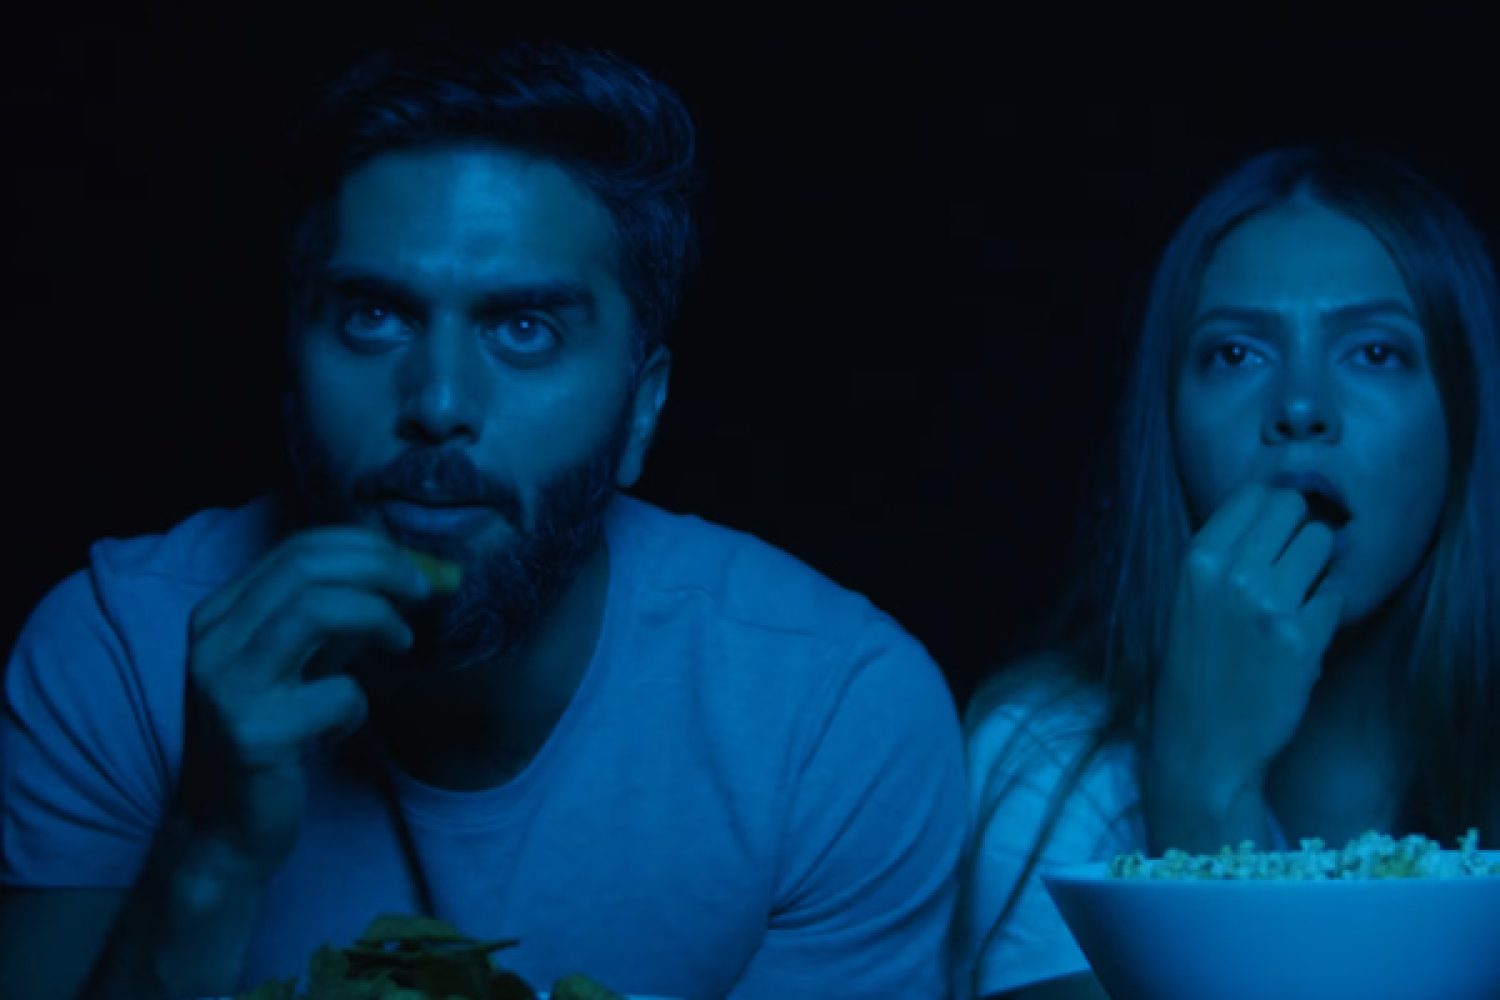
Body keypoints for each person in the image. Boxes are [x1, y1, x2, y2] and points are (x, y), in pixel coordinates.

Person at [0, 42, 966, 1000]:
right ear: (291, 365)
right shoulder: (117, 652)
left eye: (524, 330)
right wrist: (206, 851)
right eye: (374, 317)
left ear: (641, 408)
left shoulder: (833, 719)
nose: (438, 402)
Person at [952, 145, 1500, 999]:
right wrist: (1203, 792)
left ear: (1463, 423)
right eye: (1237, 355)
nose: (1300, 408)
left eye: (1374, 352)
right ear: (1169, 424)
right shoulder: (1049, 760)